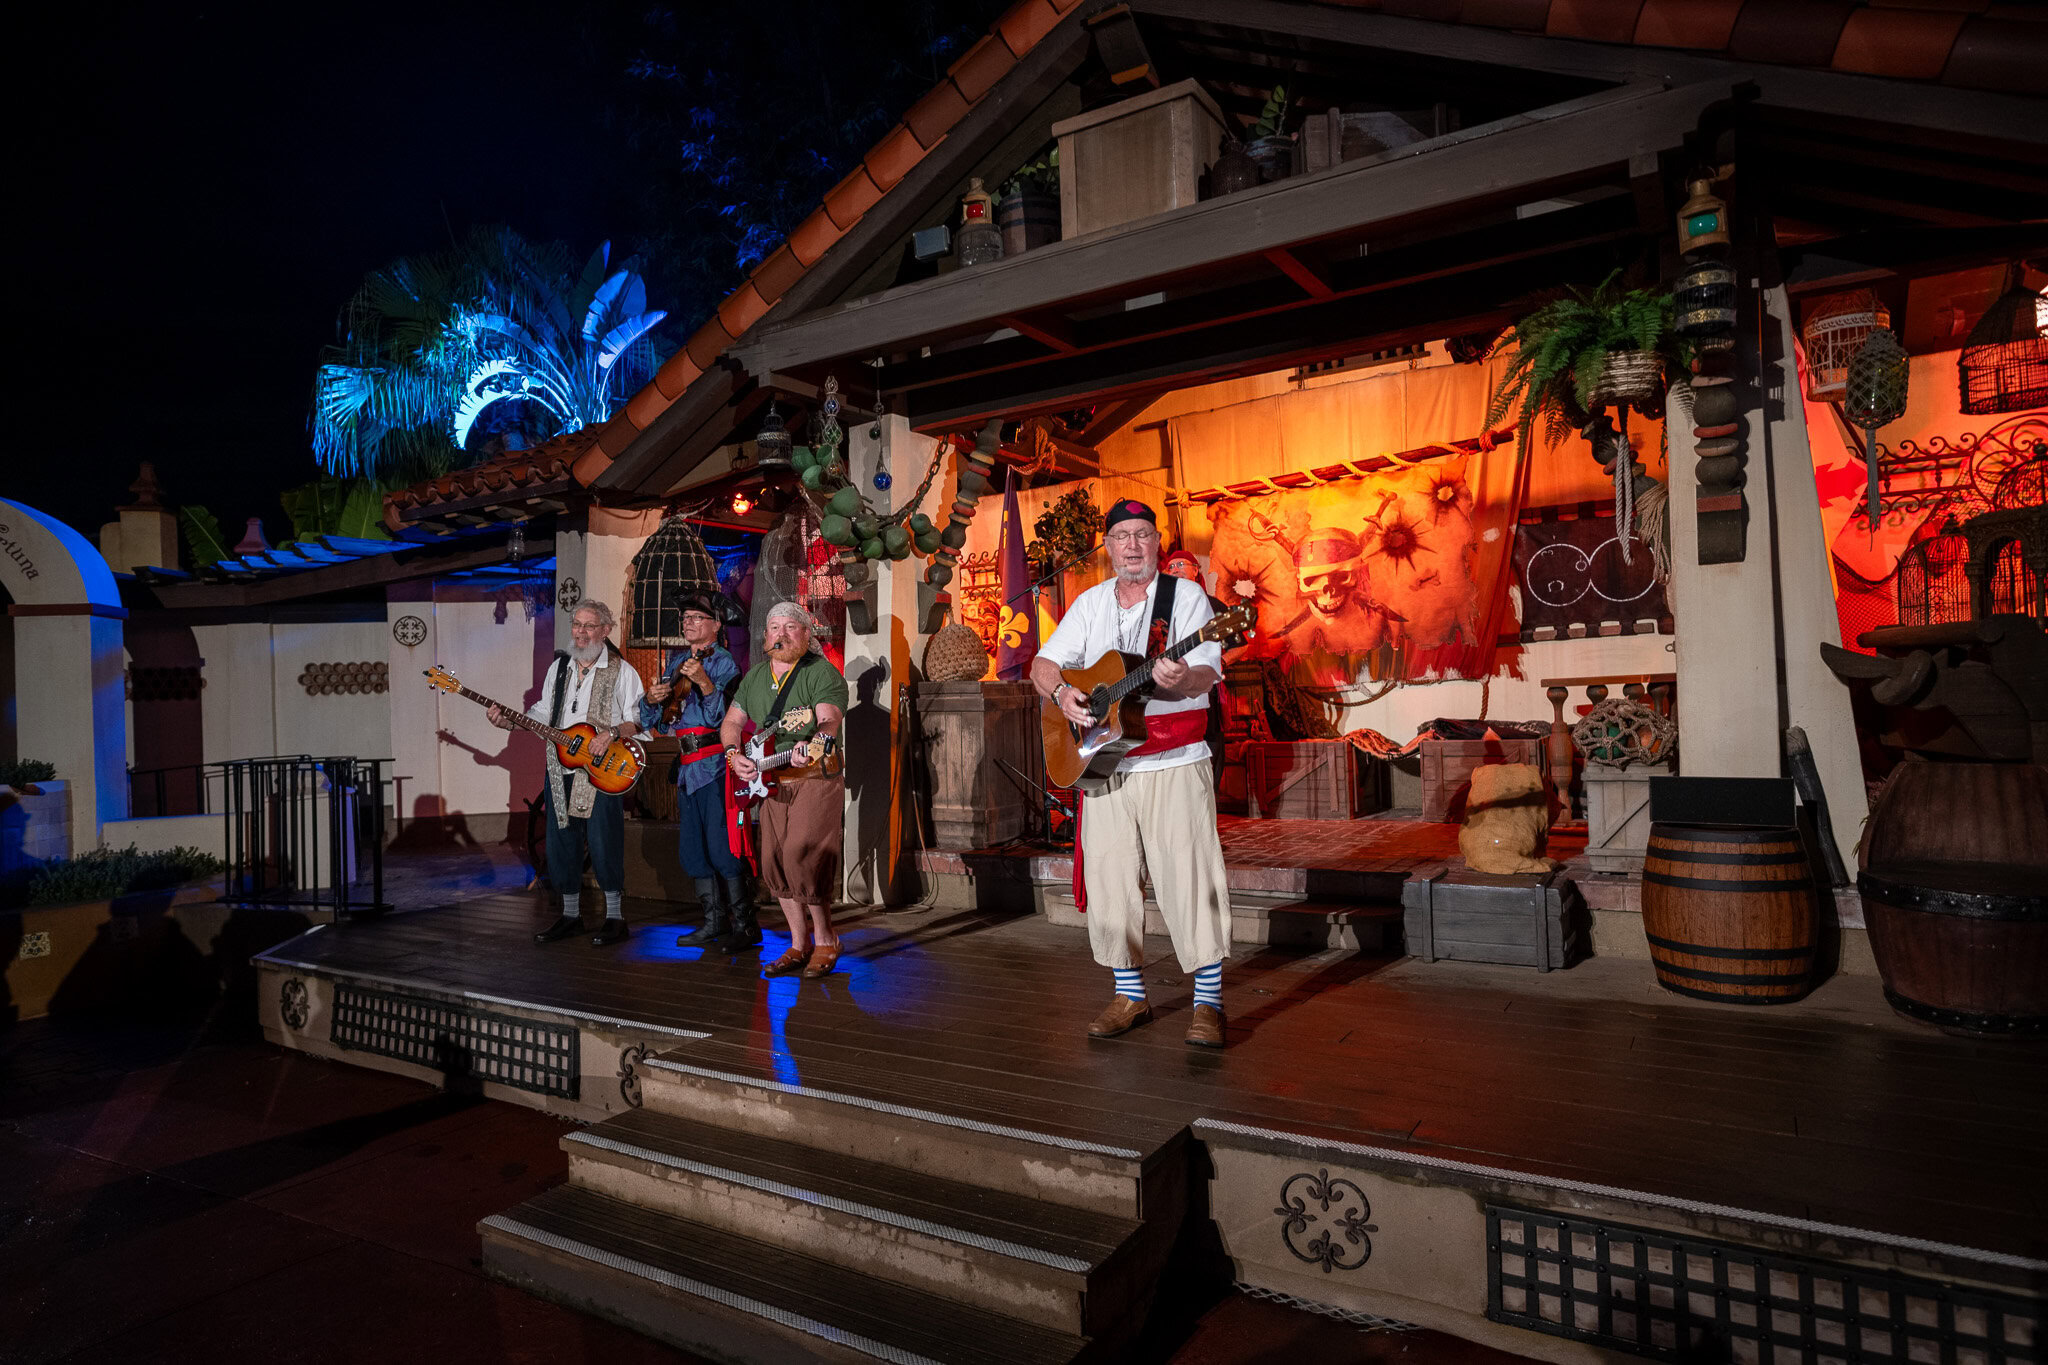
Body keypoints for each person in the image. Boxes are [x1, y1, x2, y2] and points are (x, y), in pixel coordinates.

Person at [1032, 501, 1234, 1048]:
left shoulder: (1186, 598)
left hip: (1175, 760)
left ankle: (1209, 1004)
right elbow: (1042, 665)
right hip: (1106, 761)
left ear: (1156, 543)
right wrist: (1062, 694)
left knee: (1190, 879)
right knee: (1112, 879)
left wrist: (1175, 677)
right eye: (1121, 536)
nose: (1131, 546)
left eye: (1142, 535)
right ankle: (1130, 995)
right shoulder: (1090, 602)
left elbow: (1202, 677)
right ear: (1109, 546)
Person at [488, 600, 646, 947]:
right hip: (560, 765)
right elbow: (544, 712)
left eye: (589, 626)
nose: (580, 632)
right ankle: (571, 916)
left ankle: (616, 919)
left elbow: (642, 720)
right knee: (562, 840)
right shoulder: (559, 668)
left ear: (606, 631)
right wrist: (510, 722)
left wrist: (613, 733)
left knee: (605, 841)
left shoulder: (622, 671)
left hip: (602, 770)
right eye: (577, 624)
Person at [720, 602, 847, 979]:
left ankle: (826, 939)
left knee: (801, 856)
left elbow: (829, 720)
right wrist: (733, 754)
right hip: (772, 780)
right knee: (774, 860)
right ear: (765, 637)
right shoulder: (755, 676)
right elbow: (731, 721)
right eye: (774, 627)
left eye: (791, 627)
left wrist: (819, 740)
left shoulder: (820, 672)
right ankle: (798, 943)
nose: (781, 634)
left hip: (814, 778)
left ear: (807, 635)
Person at [640, 591, 757, 950]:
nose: (688, 623)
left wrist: (706, 683)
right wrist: (650, 700)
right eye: (686, 618)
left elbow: (720, 720)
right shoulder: (675, 662)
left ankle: (746, 927)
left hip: (715, 767)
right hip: (687, 769)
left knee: (724, 847)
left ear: (716, 625)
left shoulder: (725, 664)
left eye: (696, 617)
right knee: (693, 849)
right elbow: (654, 723)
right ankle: (712, 922)